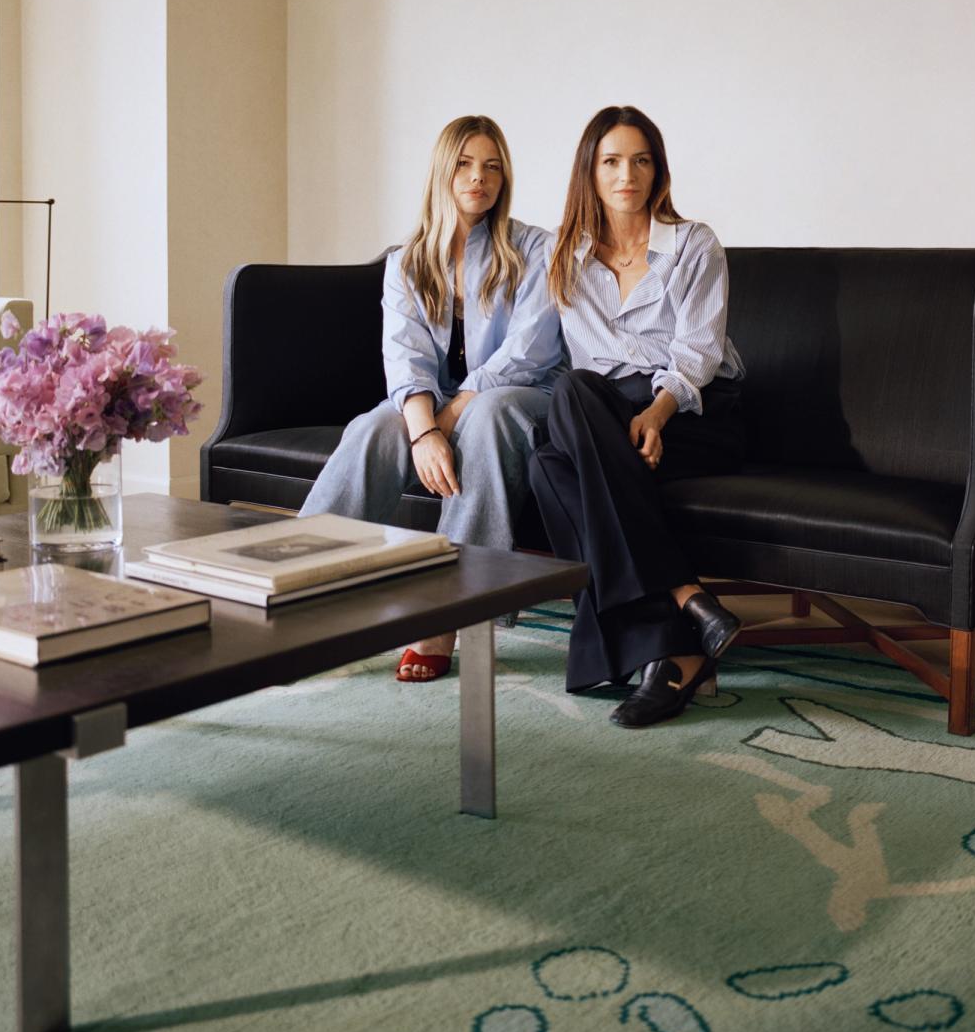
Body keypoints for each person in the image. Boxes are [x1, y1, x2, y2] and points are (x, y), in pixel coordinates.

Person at [300, 114, 562, 682]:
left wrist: (442, 421)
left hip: (529, 400)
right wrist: (422, 427)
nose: (479, 178)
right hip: (442, 403)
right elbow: (405, 357)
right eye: (465, 164)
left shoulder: (537, 249)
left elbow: (530, 352)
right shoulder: (408, 260)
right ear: (443, 172)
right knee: (374, 427)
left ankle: (448, 615)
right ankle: (295, 585)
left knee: (488, 414)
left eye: (492, 166)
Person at [530, 105, 745, 728]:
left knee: (556, 446)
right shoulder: (564, 257)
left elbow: (699, 351)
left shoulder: (693, 245)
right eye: (612, 161)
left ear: (658, 170)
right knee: (559, 429)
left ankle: (666, 638)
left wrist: (658, 411)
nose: (629, 174)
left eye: (641, 160)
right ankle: (684, 614)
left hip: (697, 414)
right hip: (614, 421)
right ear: (590, 173)